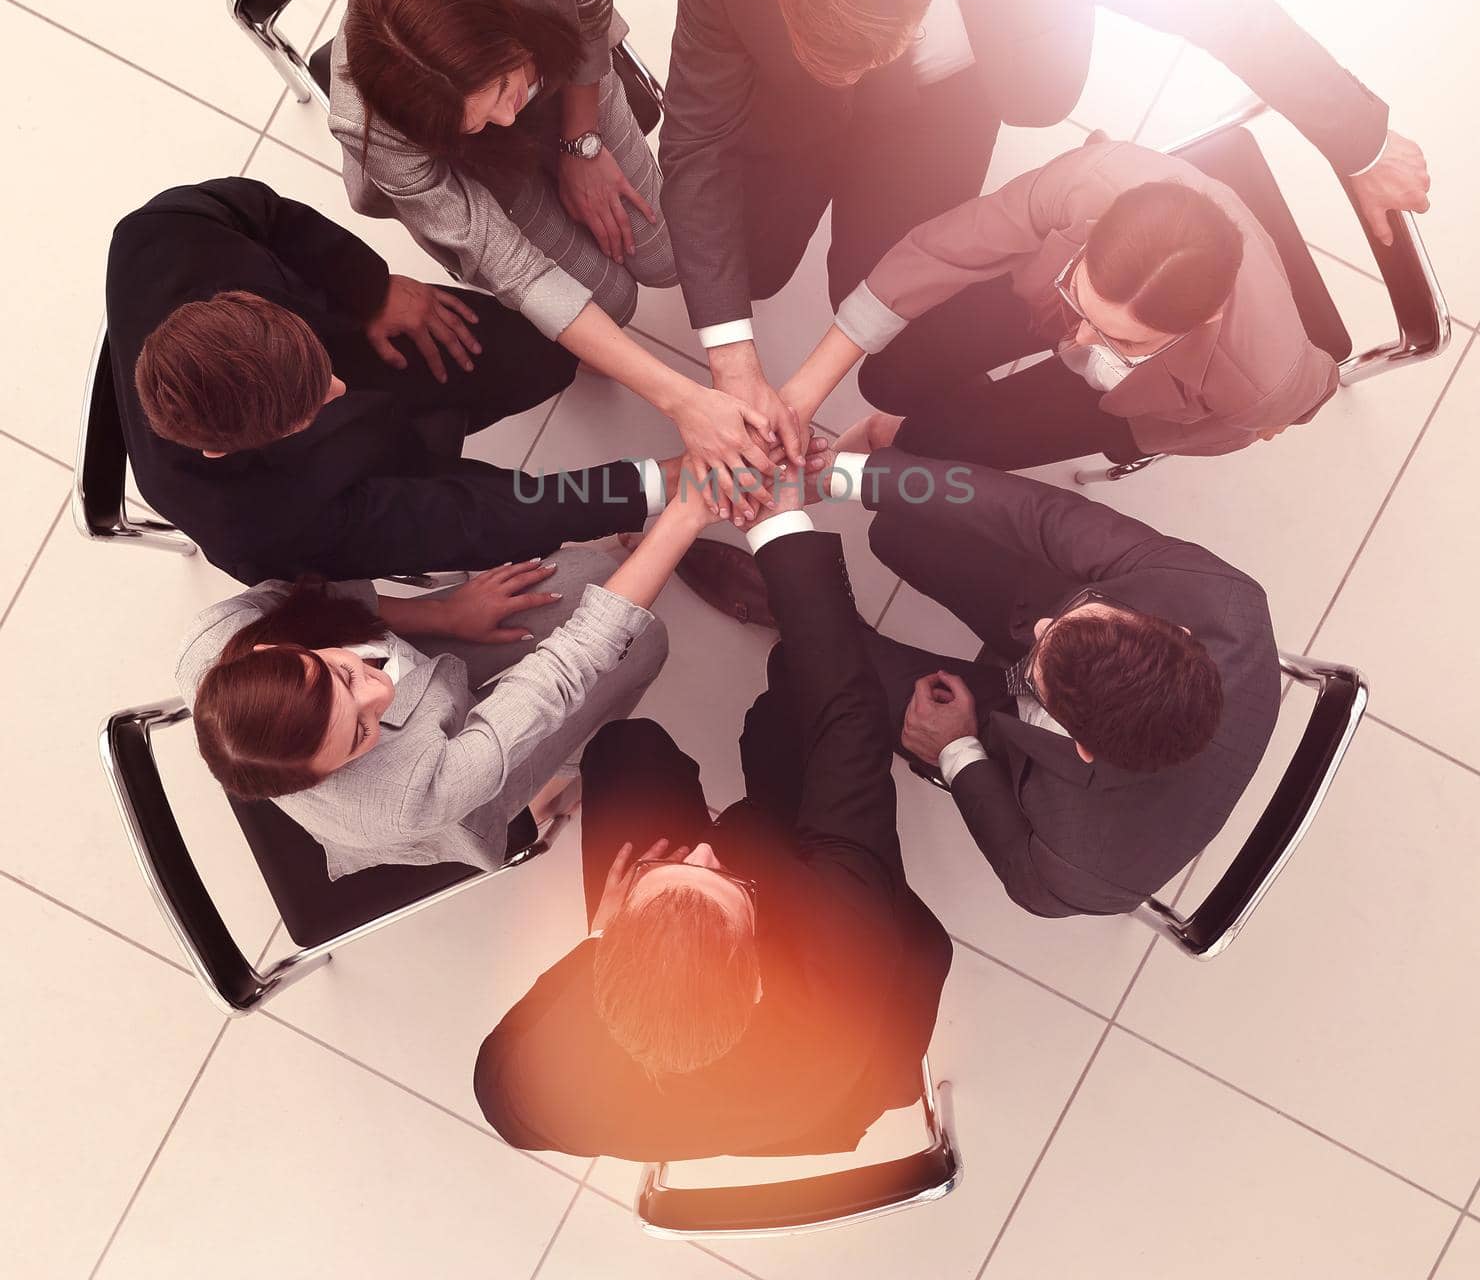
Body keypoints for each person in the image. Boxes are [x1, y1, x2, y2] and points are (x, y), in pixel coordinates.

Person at [659, 0, 1431, 449]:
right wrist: (731, 362)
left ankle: (936, 431)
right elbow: (696, 142)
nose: (850, 77)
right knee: (744, 266)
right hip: (783, 112)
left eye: (866, 57)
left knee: (885, 304)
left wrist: (1359, 142)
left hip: (940, 105)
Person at [473, 489, 951, 1160]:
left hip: (754, 1095)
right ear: (757, 977)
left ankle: (690, 905)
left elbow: (502, 1096)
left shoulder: (534, 1086)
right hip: (840, 1062)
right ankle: (799, 654)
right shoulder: (843, 943)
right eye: (728, 882)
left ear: (614, 954)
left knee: (624, 752)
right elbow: (851, 726)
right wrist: (782, 526)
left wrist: (598, 942)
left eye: (664, 876)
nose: (702, 847)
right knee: (790, 754)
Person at [330, 0, 782, 497]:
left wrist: (581, 143)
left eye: (499, 86)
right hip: (472, 174)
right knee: (609, 303)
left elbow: (591, 24)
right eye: (477, 116)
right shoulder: (373, 128)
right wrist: (682, 401)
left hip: (569, 90)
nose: (503, 117)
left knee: (666, 254)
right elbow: (514, 269)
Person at [107, 176, 718, 585]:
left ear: (241, 302)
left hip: (364, 334)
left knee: (539, 352)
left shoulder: (159, 235)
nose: (339, 392)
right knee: (520, 516)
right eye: (312, 404)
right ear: (221, 447)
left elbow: (261, 210)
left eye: (320, 375)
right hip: (381, 476)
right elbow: (473, 515)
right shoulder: (255, 524)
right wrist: (652, 485)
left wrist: (368, 287)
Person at [807, 442, 1280, 917]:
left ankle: (798, 614)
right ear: (1175, 630)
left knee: (824, 665)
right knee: (901, 527)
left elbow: (1020, 867)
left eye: (1041, 661)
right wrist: (849, 474)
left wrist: (955, 750)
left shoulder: (1082, 870)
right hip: (1057, 627)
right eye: (1085, 616)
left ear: (1083, 748)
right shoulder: (1220, 599)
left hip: (1002, 745)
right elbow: (1040, 514)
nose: (1039, 629)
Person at [778, 135, 1339, 469]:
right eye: (1085, 300)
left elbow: (1310, 391)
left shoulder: (1262, 383)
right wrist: (799, 399)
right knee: (887, 377)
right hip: (1046, 294)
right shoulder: (1086, 183)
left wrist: (1271, 415)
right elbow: (940, 253)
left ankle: (913, 430)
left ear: (1206, 321)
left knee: (939, 444)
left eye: (1124, 339)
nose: (1079, 343)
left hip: (1138, 399)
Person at [176, 527, 683, 878]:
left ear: (272, 650)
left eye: (341, 673)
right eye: (359, 734)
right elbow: (565, 670)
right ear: (326, 776)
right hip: (458, 794)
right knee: (641, 646)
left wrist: (448, 615)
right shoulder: (409, 798)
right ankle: (551, 783)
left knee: (584, 573)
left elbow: (322, 598)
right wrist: (682, 519)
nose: (380, 690)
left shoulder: (217, 637)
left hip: (419, 668)